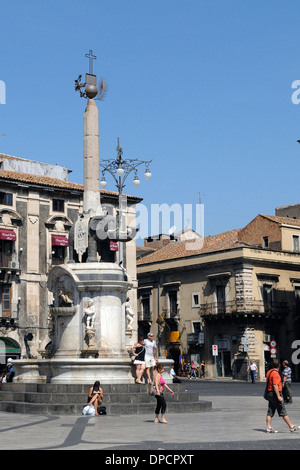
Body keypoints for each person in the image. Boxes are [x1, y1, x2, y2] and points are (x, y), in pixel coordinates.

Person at [265, 359, 300, 433]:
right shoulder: (276, 374)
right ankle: (291, 427)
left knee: (270, 410)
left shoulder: (268, 372)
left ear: (272, 365)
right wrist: (278, 396)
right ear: (279, 365)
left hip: (269, 393)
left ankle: (268, 427)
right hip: (275, 394)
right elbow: (275, 385)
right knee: (282, 410)